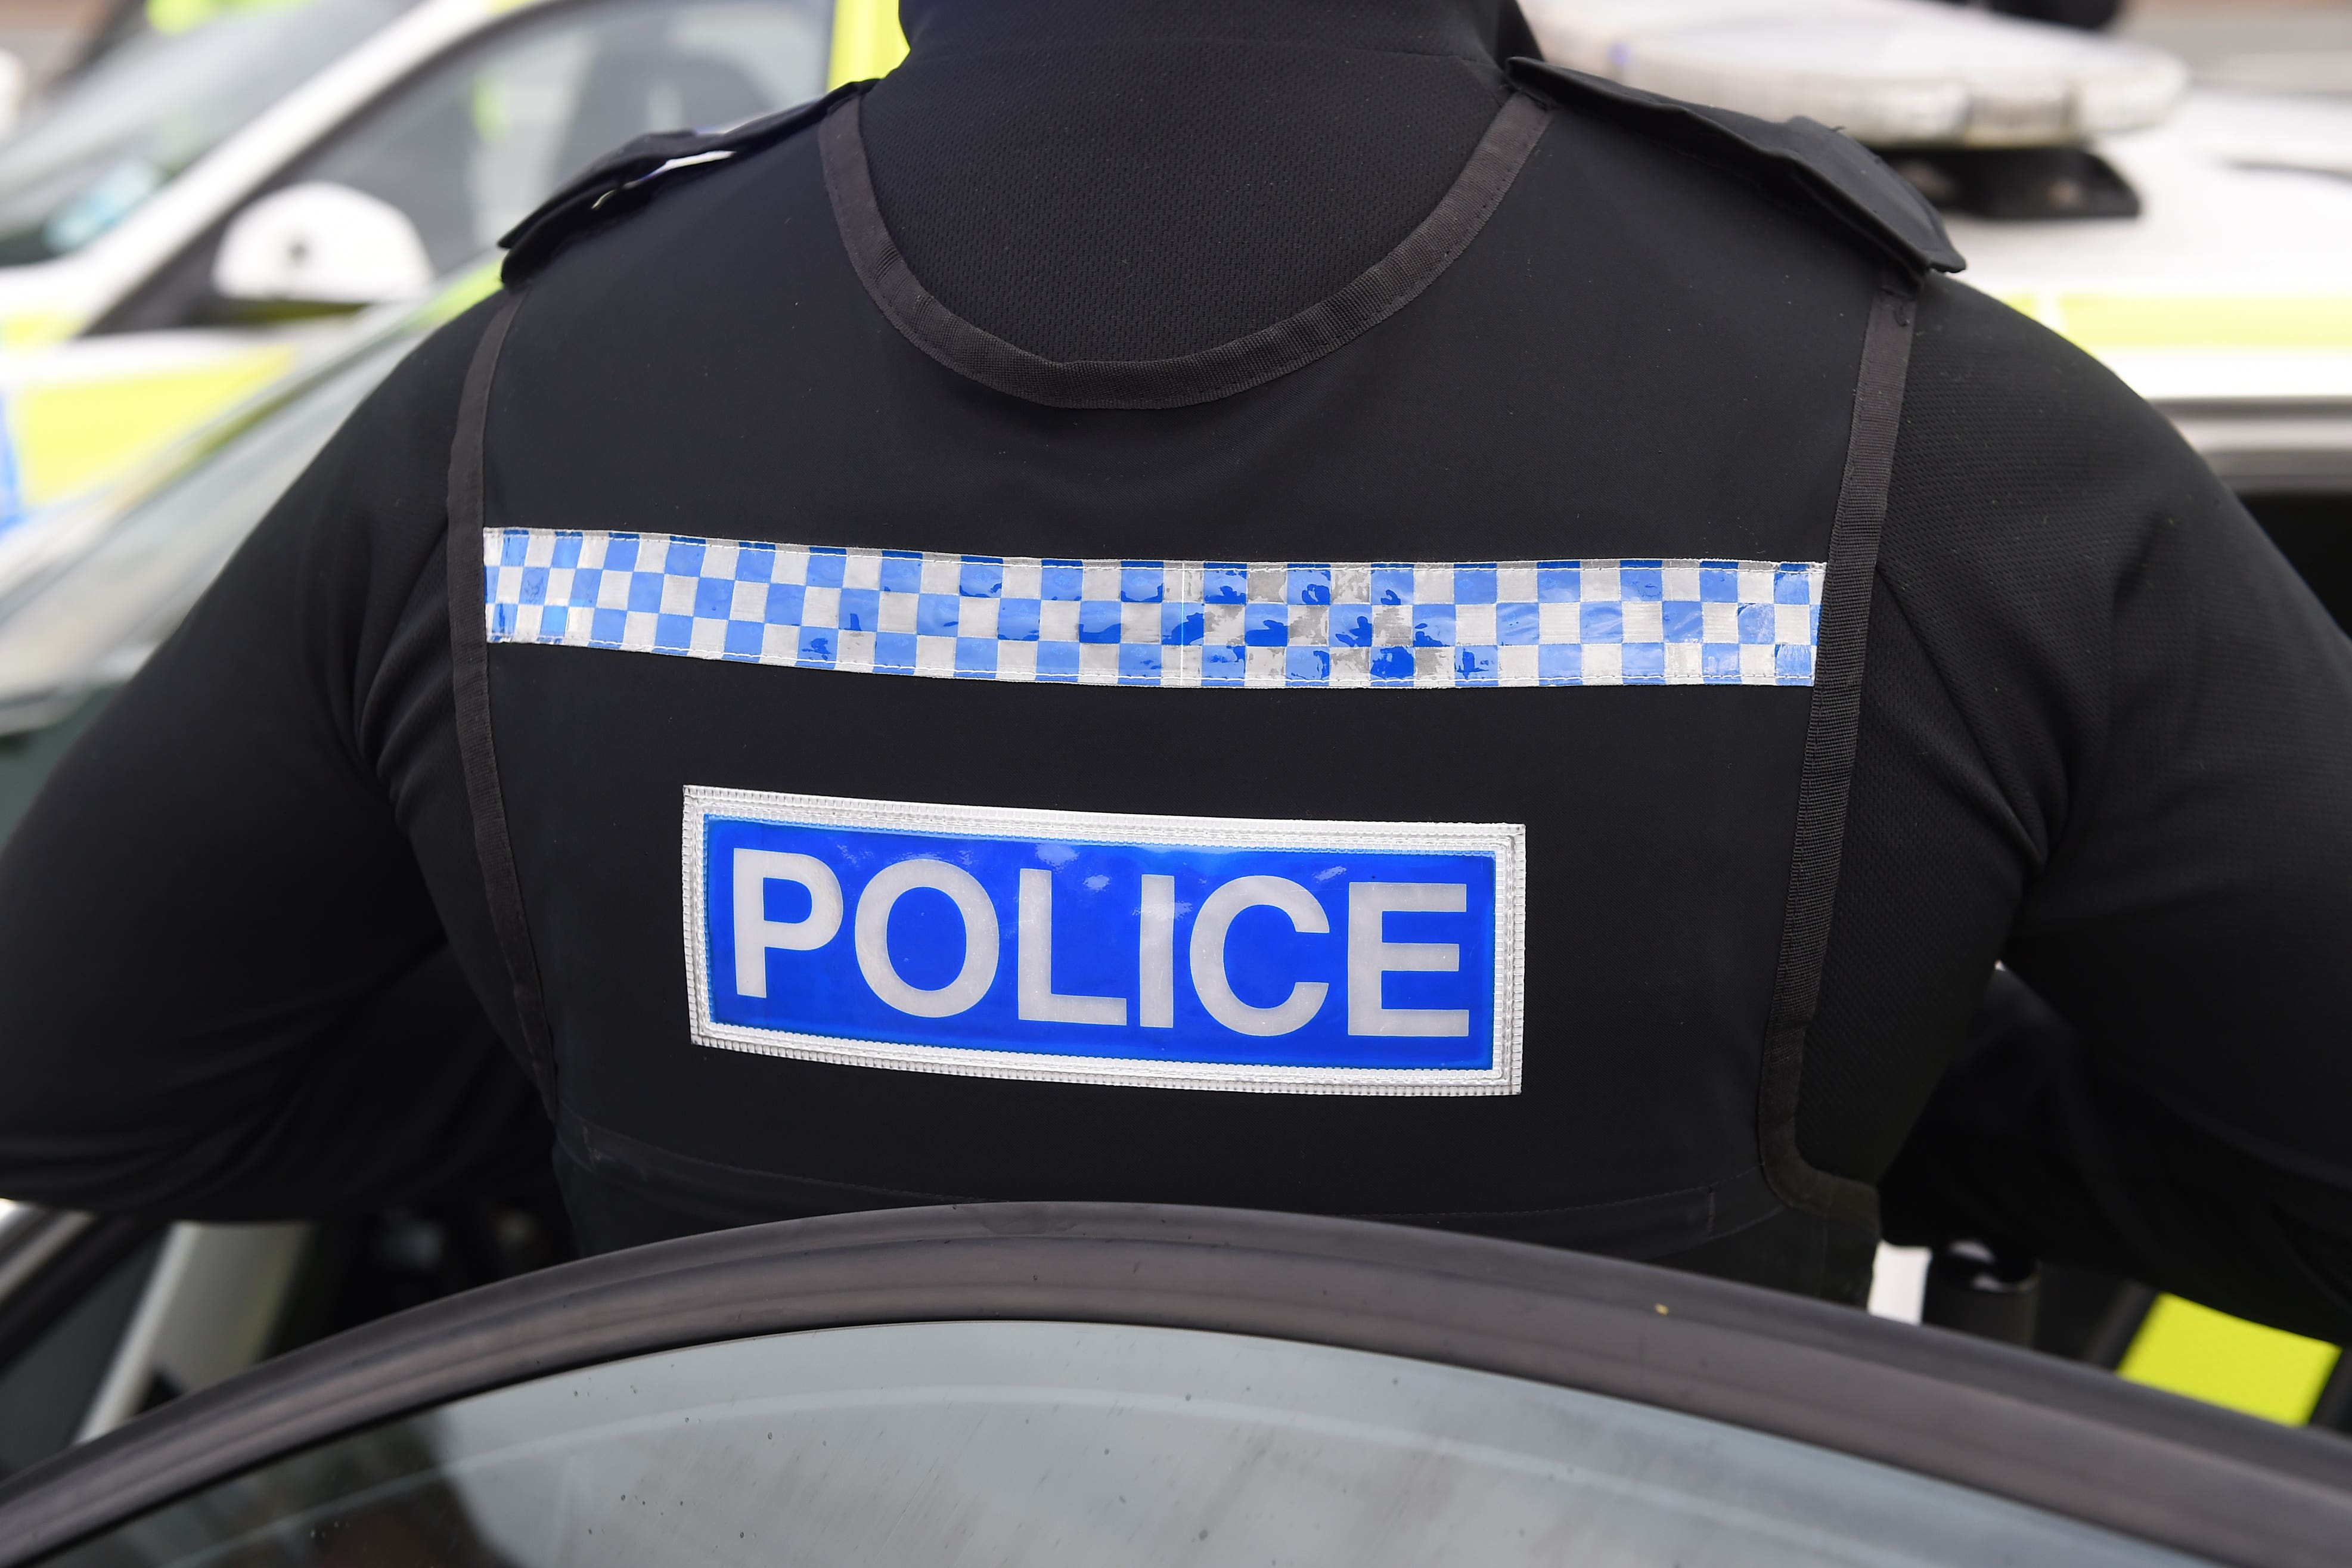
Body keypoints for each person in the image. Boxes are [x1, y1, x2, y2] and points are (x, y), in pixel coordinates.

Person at [0, 0, 2346, 1336]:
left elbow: (77, 1080)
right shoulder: (1921, 428)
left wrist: (661, 1065)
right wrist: (1841, 1074)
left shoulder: (514, 409)